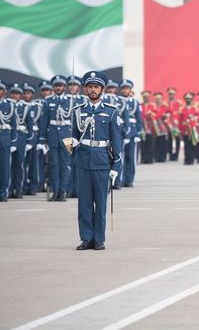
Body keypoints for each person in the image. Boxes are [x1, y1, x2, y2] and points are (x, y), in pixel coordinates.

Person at [70, 71, 122, 250]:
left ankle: (99, 238)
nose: (93, 90)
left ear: (102, 89)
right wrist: (72, 142)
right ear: (85, 89)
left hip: (102, 161)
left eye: (96, 87)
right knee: (84, 203)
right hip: (83, 160)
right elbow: (73, 134)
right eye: (90, 87)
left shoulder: (111, 111)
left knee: (100, 202)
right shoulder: (78, 111)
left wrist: (116, 166)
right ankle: (86, 238)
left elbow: (116, 141)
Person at [39, 75, 74, 201]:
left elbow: (75, 122)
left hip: (67, 137)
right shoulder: (48, 101)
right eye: (56, 86)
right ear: (53, 87)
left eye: (60, 85)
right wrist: (42, 140)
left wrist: (76, 138)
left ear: (64, 87)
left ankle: (63, 191)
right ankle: (55, 191)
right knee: (53, 165)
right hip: (52, 136)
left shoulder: (71, 101)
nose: (58, 88)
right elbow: (44, 121)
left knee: (66, 165)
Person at [8, 83, 33, 198]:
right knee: (8, 165)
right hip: (9, 137)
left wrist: (29, 141)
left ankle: (18, 189)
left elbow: (30, 126)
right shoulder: (7, 105)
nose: (15, 95)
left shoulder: (25, 107)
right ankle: (9, 189)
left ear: (21, 95)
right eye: (13, 93)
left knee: (19, 165)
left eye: (17, 93)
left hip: (21, 138)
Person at [119, 80, 143, 187]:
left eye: (127, 88)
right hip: (120, 133)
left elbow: (139, 119)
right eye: (123, 88)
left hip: (132, 133)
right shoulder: (117, 101)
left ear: (130, 90)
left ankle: (129, 179)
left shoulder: (135, 103)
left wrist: (138, 133)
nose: (125, 90)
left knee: (131, 157)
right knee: (120, 157)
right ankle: (120, 179)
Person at [22, 84, 42, 196]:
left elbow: (41, 124)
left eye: (28, 93)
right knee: (22, 164)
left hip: (35, 136)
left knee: (34, 164)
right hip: (23, 136)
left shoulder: (37, 107)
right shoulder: (18, 106)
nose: (26, 95)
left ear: (32, 94)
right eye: (25, 93)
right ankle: (23, 186)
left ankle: (33, 186)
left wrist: (41, 140)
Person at [0, 80, 18, 202]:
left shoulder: (10, 105)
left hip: (5, 138)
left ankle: (3, 193)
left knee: (5, 168)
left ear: (4, 91)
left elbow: (14, 125)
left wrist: (14, 142)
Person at [179, 92, 199, 165]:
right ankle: (186, 159)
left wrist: (192, 123)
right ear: (185, 99)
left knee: (192, 145)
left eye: (189, 98)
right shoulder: (181, 108)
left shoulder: (195, 108)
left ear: (192, 99)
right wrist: (181, 128)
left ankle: (191, 159)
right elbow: (180, 120)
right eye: (187, 98)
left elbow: (197, 118)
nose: (188, 100)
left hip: (193, 130)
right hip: (185, 130)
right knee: (186, 145)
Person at [167, 88, 181, 161]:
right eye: (170, 94)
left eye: (172, 94)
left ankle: (176, 155)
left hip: (176, 125)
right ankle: (170, 155)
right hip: (168, 124)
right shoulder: (166, 103)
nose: (171, 95)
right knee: (169, 140)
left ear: (174, 94)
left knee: (177, 140)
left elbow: (180, 113)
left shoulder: (179, 103)